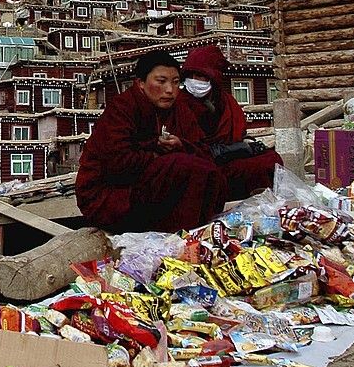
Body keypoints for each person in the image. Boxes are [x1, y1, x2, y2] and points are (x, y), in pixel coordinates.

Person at [75, 50, 227, 233]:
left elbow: (203, 150)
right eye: (161, 82)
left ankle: (194, 233)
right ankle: (178, 237)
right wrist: (158, 152)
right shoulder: (122, 109)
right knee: (181, 165)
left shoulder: (180, 110)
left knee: (208, 170)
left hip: (150, 190)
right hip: (109, 196)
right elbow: (118, 162)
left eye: (176, 82)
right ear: (140, 83)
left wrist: (180, 144)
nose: (170, 90)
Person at [180, 45, 282, 201]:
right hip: (203, 158)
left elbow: (238, 134)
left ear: (213, 79)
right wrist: (240, 149)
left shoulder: (225, 101)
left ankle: (265, 203)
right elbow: (192, 147)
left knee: (271, 158)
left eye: (202, 76)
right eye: (192, 76)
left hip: (229, 154)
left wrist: (249, 146)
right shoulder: (180, 103)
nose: (196, 81)